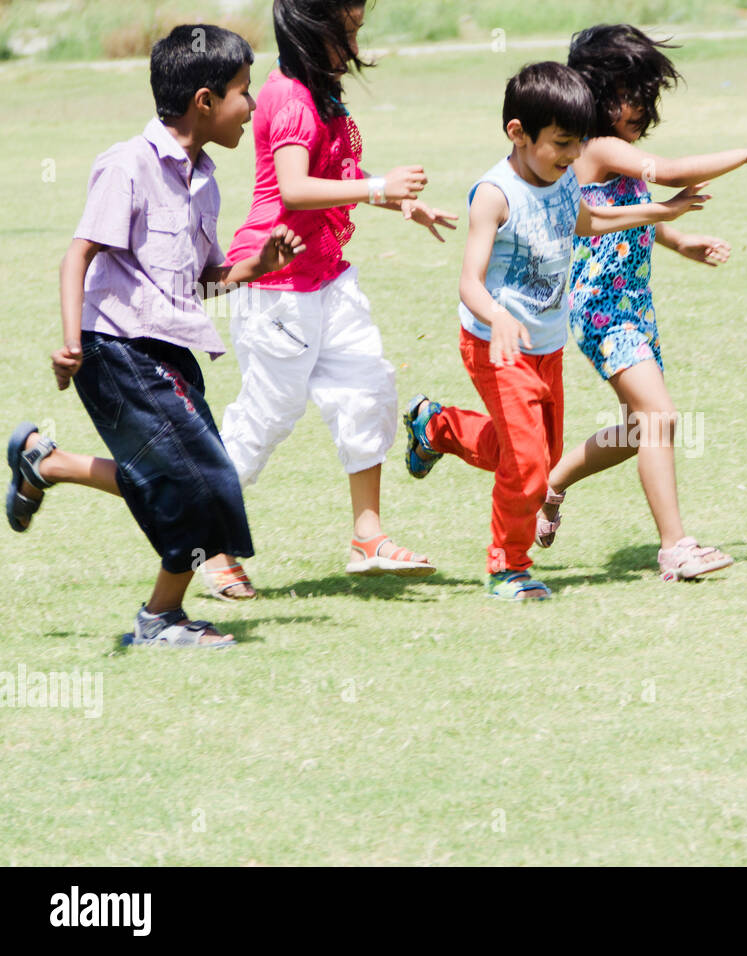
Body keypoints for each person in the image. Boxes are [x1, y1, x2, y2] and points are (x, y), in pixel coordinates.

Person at [5, 25, 304, 646]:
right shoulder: (129, 165)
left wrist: (262, 266)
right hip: (114, 348)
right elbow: (77, 254)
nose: (251, 107)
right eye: (243, 93)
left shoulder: (205, 180)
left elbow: (203, 281)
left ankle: (45, 461)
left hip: (169, 349)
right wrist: (71, 343)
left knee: (175, 481)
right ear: (204, 100)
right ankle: (159, 619)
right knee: (201, 483)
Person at [403, 62, 710, 600]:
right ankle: (508, 567)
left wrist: (666, 210)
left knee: (535, 460)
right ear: (518, 134)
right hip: (494, 344)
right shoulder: (493, 195)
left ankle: (439, 427)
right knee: (526, 465)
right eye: (561, 144)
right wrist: (497, 315)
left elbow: (590, 221)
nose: (572, 157)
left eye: (577, 145)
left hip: (547, 344)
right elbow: (469, 282)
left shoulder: (564, 180)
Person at [200, 0, 457, 599]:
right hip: (277, 282)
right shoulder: (288, 95)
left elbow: (335, 166)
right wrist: (375, 188)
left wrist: (402, 203)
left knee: (368, 387)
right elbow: (293, 186)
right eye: (352, 24)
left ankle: (368, 538)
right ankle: (208, 547)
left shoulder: (321, 87)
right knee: (266, 418)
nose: (358, 36)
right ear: (319, 24)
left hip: (328, 276)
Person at [538, 23, 747, 581]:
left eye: (645, 94)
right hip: (600, 307)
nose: (638, 106)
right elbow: (673, 174)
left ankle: (550, 484)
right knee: (660, 417)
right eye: (627, 92)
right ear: (595, 92)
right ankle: (675, 548)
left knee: (641, 430)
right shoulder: (598, 146)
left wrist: (680, 239)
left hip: (633, 307)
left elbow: (628, 213)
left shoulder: (617, 151)